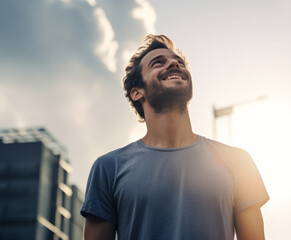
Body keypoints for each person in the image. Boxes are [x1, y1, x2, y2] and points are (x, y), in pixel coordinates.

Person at [81, 35, 269, 240]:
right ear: (137, 92)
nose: (173, 63)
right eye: (158, 63)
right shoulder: (108, 168)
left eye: (179, 62)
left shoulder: (239, 161)